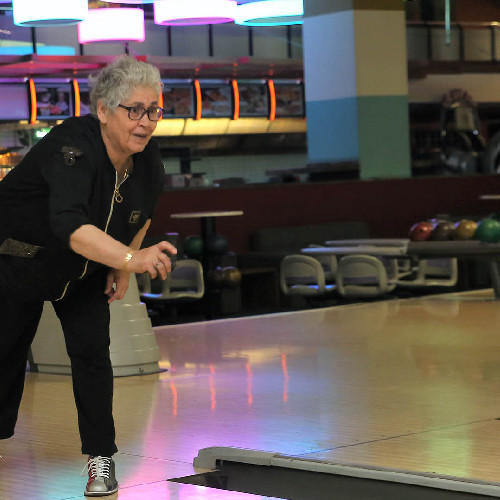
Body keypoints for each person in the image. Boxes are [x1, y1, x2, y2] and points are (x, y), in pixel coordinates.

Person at [0, 55, 176, 497]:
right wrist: (130, 260)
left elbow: (142, 213)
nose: (146, 121)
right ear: (102, 110)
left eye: (154, 109)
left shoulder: (146, 156)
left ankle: (102, 459)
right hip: (17, 257)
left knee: (94, 355)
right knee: (4, 353)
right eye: (134, 110)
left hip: (82, 268)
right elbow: (70, 226)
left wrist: (122, 260)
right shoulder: (71, 149)